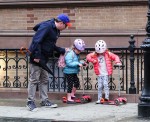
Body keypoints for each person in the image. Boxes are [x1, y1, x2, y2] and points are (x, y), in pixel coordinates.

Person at [26, 13, 71, 111]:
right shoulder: (47, 26)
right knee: (34, 79)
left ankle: (44, 100)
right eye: (66, 25)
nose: (66, 27)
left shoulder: (55, 30)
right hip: (37, 57)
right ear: (61, 23)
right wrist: (37, 56)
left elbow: (49, 44)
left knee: (45, 79)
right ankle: (30, 102)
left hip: (44, 58)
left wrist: (61, 50)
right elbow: (36, 41)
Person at [86, 40, 122, 104]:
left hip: (106, 73)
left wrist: (118, 61)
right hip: (99, 74)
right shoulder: (95, 54)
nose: (100, 53)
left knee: (105, 85)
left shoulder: (108, 54)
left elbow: (115, 56)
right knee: (99, 86)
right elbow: (88, 56)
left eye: (101, 52)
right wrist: (92, 60)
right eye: (99, 52)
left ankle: (106, 98)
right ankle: (99, 99)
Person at [63, 39, 86, 104]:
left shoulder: (76, 54)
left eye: (80, 51)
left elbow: (77, 62)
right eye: (78, 50)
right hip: (68, 72)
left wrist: (82, 63)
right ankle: (69, 98)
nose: (79, 52)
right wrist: (77, 64)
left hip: (73, 72)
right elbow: (69, 63)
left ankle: (72, 95)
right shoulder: (70, 53)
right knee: (70, 84)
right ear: (74, 48)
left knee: (77, 83)